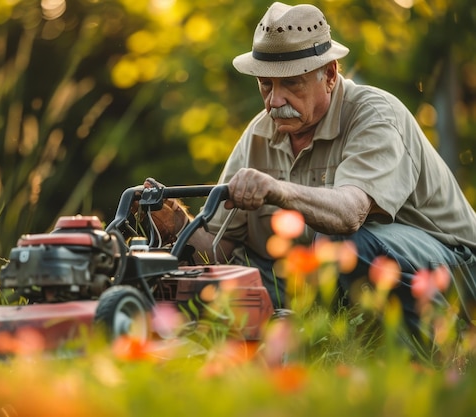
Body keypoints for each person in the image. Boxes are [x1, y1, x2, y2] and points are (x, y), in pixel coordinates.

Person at [142, 2, 476, 344]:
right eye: (266, 85)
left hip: (456, 270)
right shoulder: (259, 134)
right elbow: (222, 249)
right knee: (245, 274)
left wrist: (277, 190)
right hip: (335, 274)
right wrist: (179, 228)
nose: (274, 100)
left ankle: (436, 351)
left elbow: (349, 215)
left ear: (329, 75)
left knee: (340, 243)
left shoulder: (374, 115)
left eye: (291, 84)